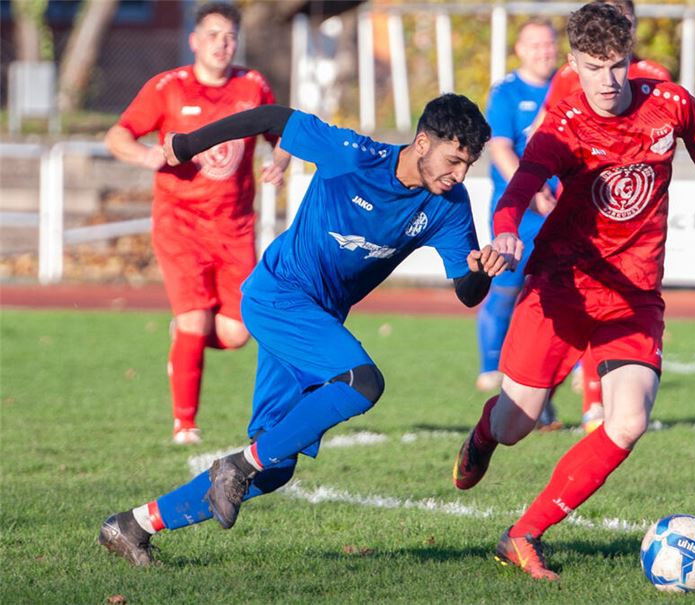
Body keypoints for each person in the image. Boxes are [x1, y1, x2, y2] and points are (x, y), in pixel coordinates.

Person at [451, 2, 695, 581]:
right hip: (562, 289)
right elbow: (518, 187)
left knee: (627, 422)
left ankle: (522, 534)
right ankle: (486, 434)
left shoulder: (670, 104)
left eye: (618, 64)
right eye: (595, 67)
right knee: (519, 424)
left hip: (634, 297)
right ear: (575, 64)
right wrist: (506, 232)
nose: (609, 81)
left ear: (632, 55)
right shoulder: (564, 124)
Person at [98, 94, 505, 566]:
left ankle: (131, 526)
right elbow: (273, 118)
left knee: (272, 465)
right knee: (363, 381)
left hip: (315, 320)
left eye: (467, 164)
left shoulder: (449, 205)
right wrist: (189, 144)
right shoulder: (353, 155)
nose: (458, 174)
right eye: (454, 160)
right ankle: (233, 466)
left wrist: (482, 271)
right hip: (279, 295)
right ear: (421, 143)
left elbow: (468, 292)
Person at [104, 2, 281, 445]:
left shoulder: (253, 85)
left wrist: (279, 161)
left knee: (237, 333)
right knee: (195, 320)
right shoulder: (169, 88)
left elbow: (283, 133)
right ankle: (185, 424)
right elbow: (117, 134)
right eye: (214, 35)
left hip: (236, 226)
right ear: (195, 41)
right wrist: (145, 154)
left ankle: (186, 333)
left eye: (230, 36)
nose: (222, 44)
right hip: (180, 223)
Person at [537, 0, 673, 435]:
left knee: (615, 305)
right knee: (565, 309)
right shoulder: (568, 75)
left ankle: (597, 405)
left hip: (628, 216)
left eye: (624, 19)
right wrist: (538, 180)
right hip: (577, 208)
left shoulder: (655, 77)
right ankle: (539, 396)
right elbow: (549, 126)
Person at [475, 18, 562, 430]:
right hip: (519, 209)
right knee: (507, 288)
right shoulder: (506, 91)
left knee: (560, 289)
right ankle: (492, 366)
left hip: (561, 209)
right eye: (536, 44)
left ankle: (563, 372)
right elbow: (501, 148)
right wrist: (531, 191)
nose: (545, 51)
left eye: (550, 43)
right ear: (520, 50)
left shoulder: (568, 83)